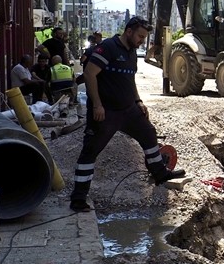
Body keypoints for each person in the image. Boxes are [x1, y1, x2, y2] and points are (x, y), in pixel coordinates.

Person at [69, 16, 184, 212]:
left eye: (143, 37)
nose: (141, 40)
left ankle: (159, 173)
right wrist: (97, 105)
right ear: (128, 31)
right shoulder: (108, 47)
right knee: (90, 152)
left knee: (149, 133)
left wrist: (138, 101)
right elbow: (89, 74)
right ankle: (78, 198)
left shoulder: (131, 53)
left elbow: (130, 81)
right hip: (106, 113)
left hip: (128, 110)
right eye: (139, 36)